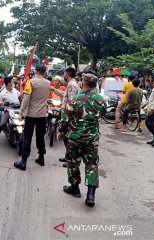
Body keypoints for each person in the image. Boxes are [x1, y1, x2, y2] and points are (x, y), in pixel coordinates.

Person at [57, 74, 106, 207]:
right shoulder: (101, 100)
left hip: (75, 137)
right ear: (95, 85)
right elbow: (102, 115)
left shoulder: (74, 99)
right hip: (92, 138)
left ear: (83, 83)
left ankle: (75, 188)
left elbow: (65, 118)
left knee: (73, 161)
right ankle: (91, 195)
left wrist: (61, 131)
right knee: (91, 164)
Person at [14, 64, 50, 171]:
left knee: (27, 136)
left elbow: (26, 99)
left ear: (35, 71)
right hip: (42, 114)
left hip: (31, 114)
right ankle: (41, 157)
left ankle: (24, 161)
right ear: (44, 72)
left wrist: (22, 113)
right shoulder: (48, 83)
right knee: (40, 136)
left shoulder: (31, 82)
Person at [59, 67, 81, 168]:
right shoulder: (71, 84)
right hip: (67, 113)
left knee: (68, 138)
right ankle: (67, 156)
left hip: (70, 114)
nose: (63, 76)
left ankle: (70, 159)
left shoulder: (72, 85)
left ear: (67, 74)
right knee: (65, 137)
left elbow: (71, 102)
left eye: (64, 74)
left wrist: (67, 117)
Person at [0, 76, 20, 146]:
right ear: (9, 83)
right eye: (12, 81)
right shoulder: (2, 93)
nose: (13, 82)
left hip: (18, 110)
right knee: (2, 124)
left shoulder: (15, 90)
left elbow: (21, 96)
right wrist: (4, 103)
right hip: (9, 110)